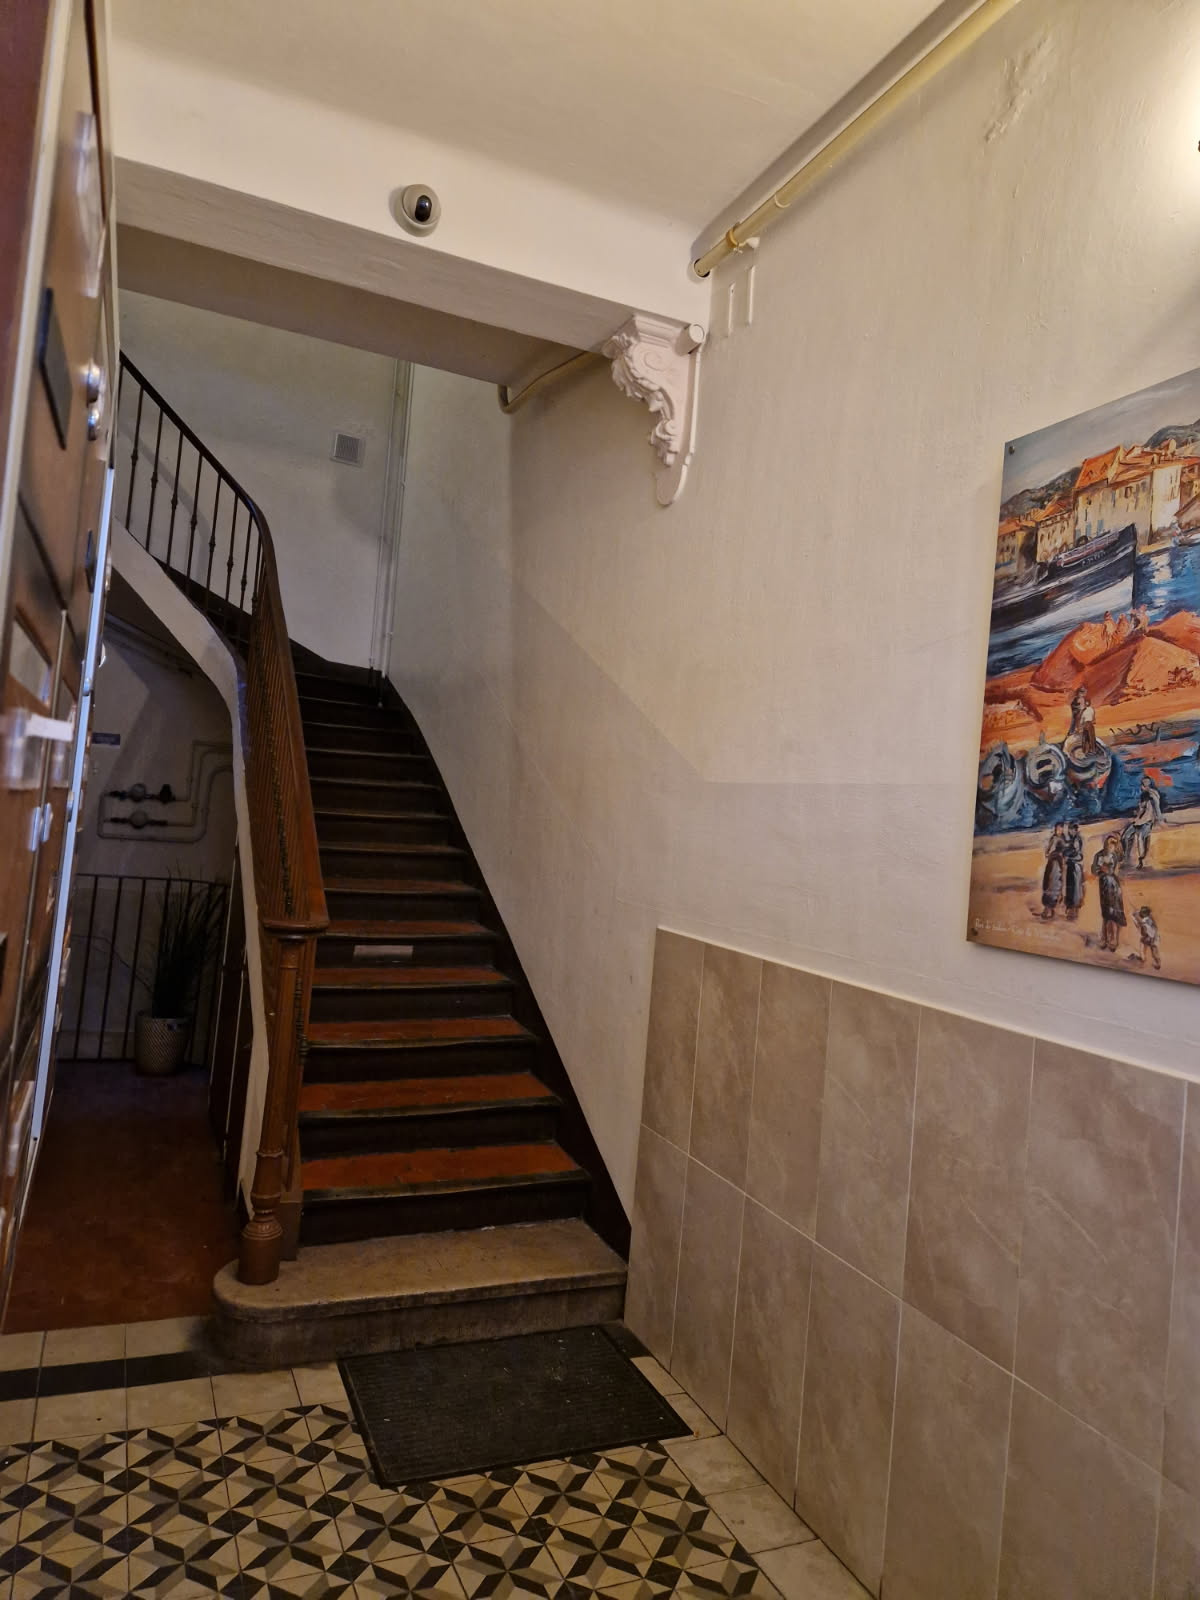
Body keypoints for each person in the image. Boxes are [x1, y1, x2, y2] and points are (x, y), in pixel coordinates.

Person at [1091, 832, 1127, 952]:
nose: (1111, 847)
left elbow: (1116, 866)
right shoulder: (1099, 855)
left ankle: (1114, 939)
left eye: (1113, 845)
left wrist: (1119, 842)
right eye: (1110, 844)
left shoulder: (1115, 856)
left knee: (1114, 911)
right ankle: (1105, 937)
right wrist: (1101, 869)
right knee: (1106, 912)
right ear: (1106, 844)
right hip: (1104, 886)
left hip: (1114, 885)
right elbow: (1094, 869)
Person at [1125, 775, 1164, 867]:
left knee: (1140, 839)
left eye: (1146, 783)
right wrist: (1136, 815)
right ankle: (1126, 856)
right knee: (1126, 836)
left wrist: (1159, 819)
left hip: (1147, 822)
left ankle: (1140, 860)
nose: (1144, 786)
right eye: (1143, 784)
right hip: (1138, 821)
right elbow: (1141, 809)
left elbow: (1156, 807)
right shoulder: (1144, 795)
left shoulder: (1152, 794)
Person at [1040, 823, 1066, 919]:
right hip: (1052, 865)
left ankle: (1051, 910)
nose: (1059, 831)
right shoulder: (1053, 838)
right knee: (1049, 886)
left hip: (1058, 865)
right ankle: (1047, 909)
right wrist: (1051, 854)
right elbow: (1047, 852)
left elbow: (1064, 853)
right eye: (1057, 829)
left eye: (1060, 829)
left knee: (1056, 886)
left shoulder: (1063, 839)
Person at [1063, 821, 1085, 920]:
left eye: (1071, 829)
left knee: (1075, 888)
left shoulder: (1077, 839)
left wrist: (1066, 854)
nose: (1069, 831)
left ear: (1075, 830)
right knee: (1071, 887)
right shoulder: (1072, 839)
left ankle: (1074, 911)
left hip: (1075, 865)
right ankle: (1072, 909)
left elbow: (1076, 852)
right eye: (1069, 829)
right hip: (1072, 865)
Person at [1132, 905, 1162, 970]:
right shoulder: (1149, 918)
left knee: (1153, 951)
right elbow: (1140, 923)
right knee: (1147, 946)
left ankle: (1156, 963)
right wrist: (1136, 915)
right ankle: (1145, 958)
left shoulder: (1147, 920)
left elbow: (1140, 924)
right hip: (1151, 937)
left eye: (1142, 913)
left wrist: (1135, 916)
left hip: (1152, 937)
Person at [1069, 688, 1097, 756]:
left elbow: (1089, 717)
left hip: (1086, 723)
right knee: (1088, 737)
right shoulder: (1087, 707)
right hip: (1086, 723)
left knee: (1087, 737)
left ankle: (1088, 751)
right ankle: (1090, 750)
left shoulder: (1087, 708)